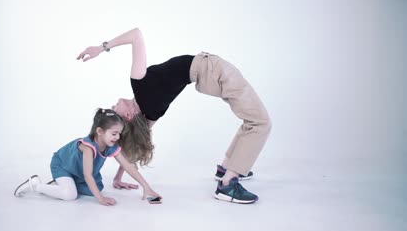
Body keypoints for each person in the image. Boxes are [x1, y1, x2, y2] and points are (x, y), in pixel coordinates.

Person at [77, 28, 271, 204]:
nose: (113, 105)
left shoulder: (150, 113)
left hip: (209, 72)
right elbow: (136, 35)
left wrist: (119, 177)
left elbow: (135, 146)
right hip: (214, 71)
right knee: (260, 122)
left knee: (252, 120)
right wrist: (100, 48)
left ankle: (227, 169)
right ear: (128, 114)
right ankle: (228, 184)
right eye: (114, 109)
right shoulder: (140, 86)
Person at [14, 108, 161, 206]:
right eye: (114, 133)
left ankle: (60, 184)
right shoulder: (88, 148)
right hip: (63, 166)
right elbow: (88, 175)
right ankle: (37, 186)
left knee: (97, 188)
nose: (117, 137)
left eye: (119, 134)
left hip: (79, 172)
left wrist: (146, 187)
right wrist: (100, 199)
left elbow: (128, 166)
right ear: (100, 131)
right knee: (70, 195)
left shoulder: (111, 146)